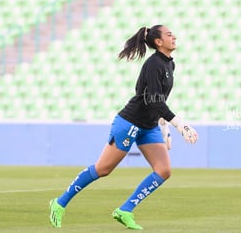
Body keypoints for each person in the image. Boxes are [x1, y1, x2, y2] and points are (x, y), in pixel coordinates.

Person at [49, 25, 198, 229]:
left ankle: (125, 210)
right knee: (103, 169)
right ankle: (59, 202)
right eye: (169, 34)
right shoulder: (153, 64)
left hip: (149, 125)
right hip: (130, 122)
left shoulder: (169, 65)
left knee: (163, 170)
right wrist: (179, 124)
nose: (174, 36)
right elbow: (152, 99)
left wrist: (163, 126)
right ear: (158, 42)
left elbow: (156, 98)